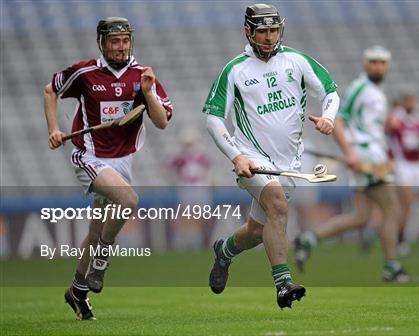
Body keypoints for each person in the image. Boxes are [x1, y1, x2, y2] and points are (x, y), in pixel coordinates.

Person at [203, 3, 339, 308]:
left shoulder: (297, 61)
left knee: (257, 231)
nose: (269, 37)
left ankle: (224, 251)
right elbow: (213, 119)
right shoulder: (235, 69)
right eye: (262, 31)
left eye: (273, 30)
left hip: (290, 163)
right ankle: (283, 283)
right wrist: (236, 156)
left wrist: (329, 116)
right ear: (248, 31)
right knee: (277, 204)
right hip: (252, 159)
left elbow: (330, 91)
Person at [44, 17, 173, 320]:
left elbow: (162, 122)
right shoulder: (85, 73)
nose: (121, 47)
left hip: (122, 160)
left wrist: (149, 93)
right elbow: (50, 90)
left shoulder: (143, 74)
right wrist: (53, 128)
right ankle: (102, 259)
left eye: (125, 40)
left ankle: (77, 291)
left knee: (95, 230)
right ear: (101, 42)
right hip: (89, 156)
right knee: (129, 200)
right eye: (114, 41)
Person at [294, 46, 410, 283]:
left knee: (361, 216)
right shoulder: (360, 88)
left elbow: (365, 125)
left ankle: (308, 239)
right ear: (365, 64)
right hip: (367, 157)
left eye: (382, 62)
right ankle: (392, 267)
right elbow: (337, 119)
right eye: (373, 62)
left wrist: (387, 127)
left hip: (372, 154)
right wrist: (349, 152)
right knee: (392, 209)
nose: (378, 66)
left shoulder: (376, 92)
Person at [386, 92, 419, 256]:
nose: (412, 104)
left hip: (417, 165)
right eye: (409, 101)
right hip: (401, 164)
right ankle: (399, 239)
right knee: (405, 203)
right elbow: (388, 131)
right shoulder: (396, 117)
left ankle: (397, 236)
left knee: (407, 206)